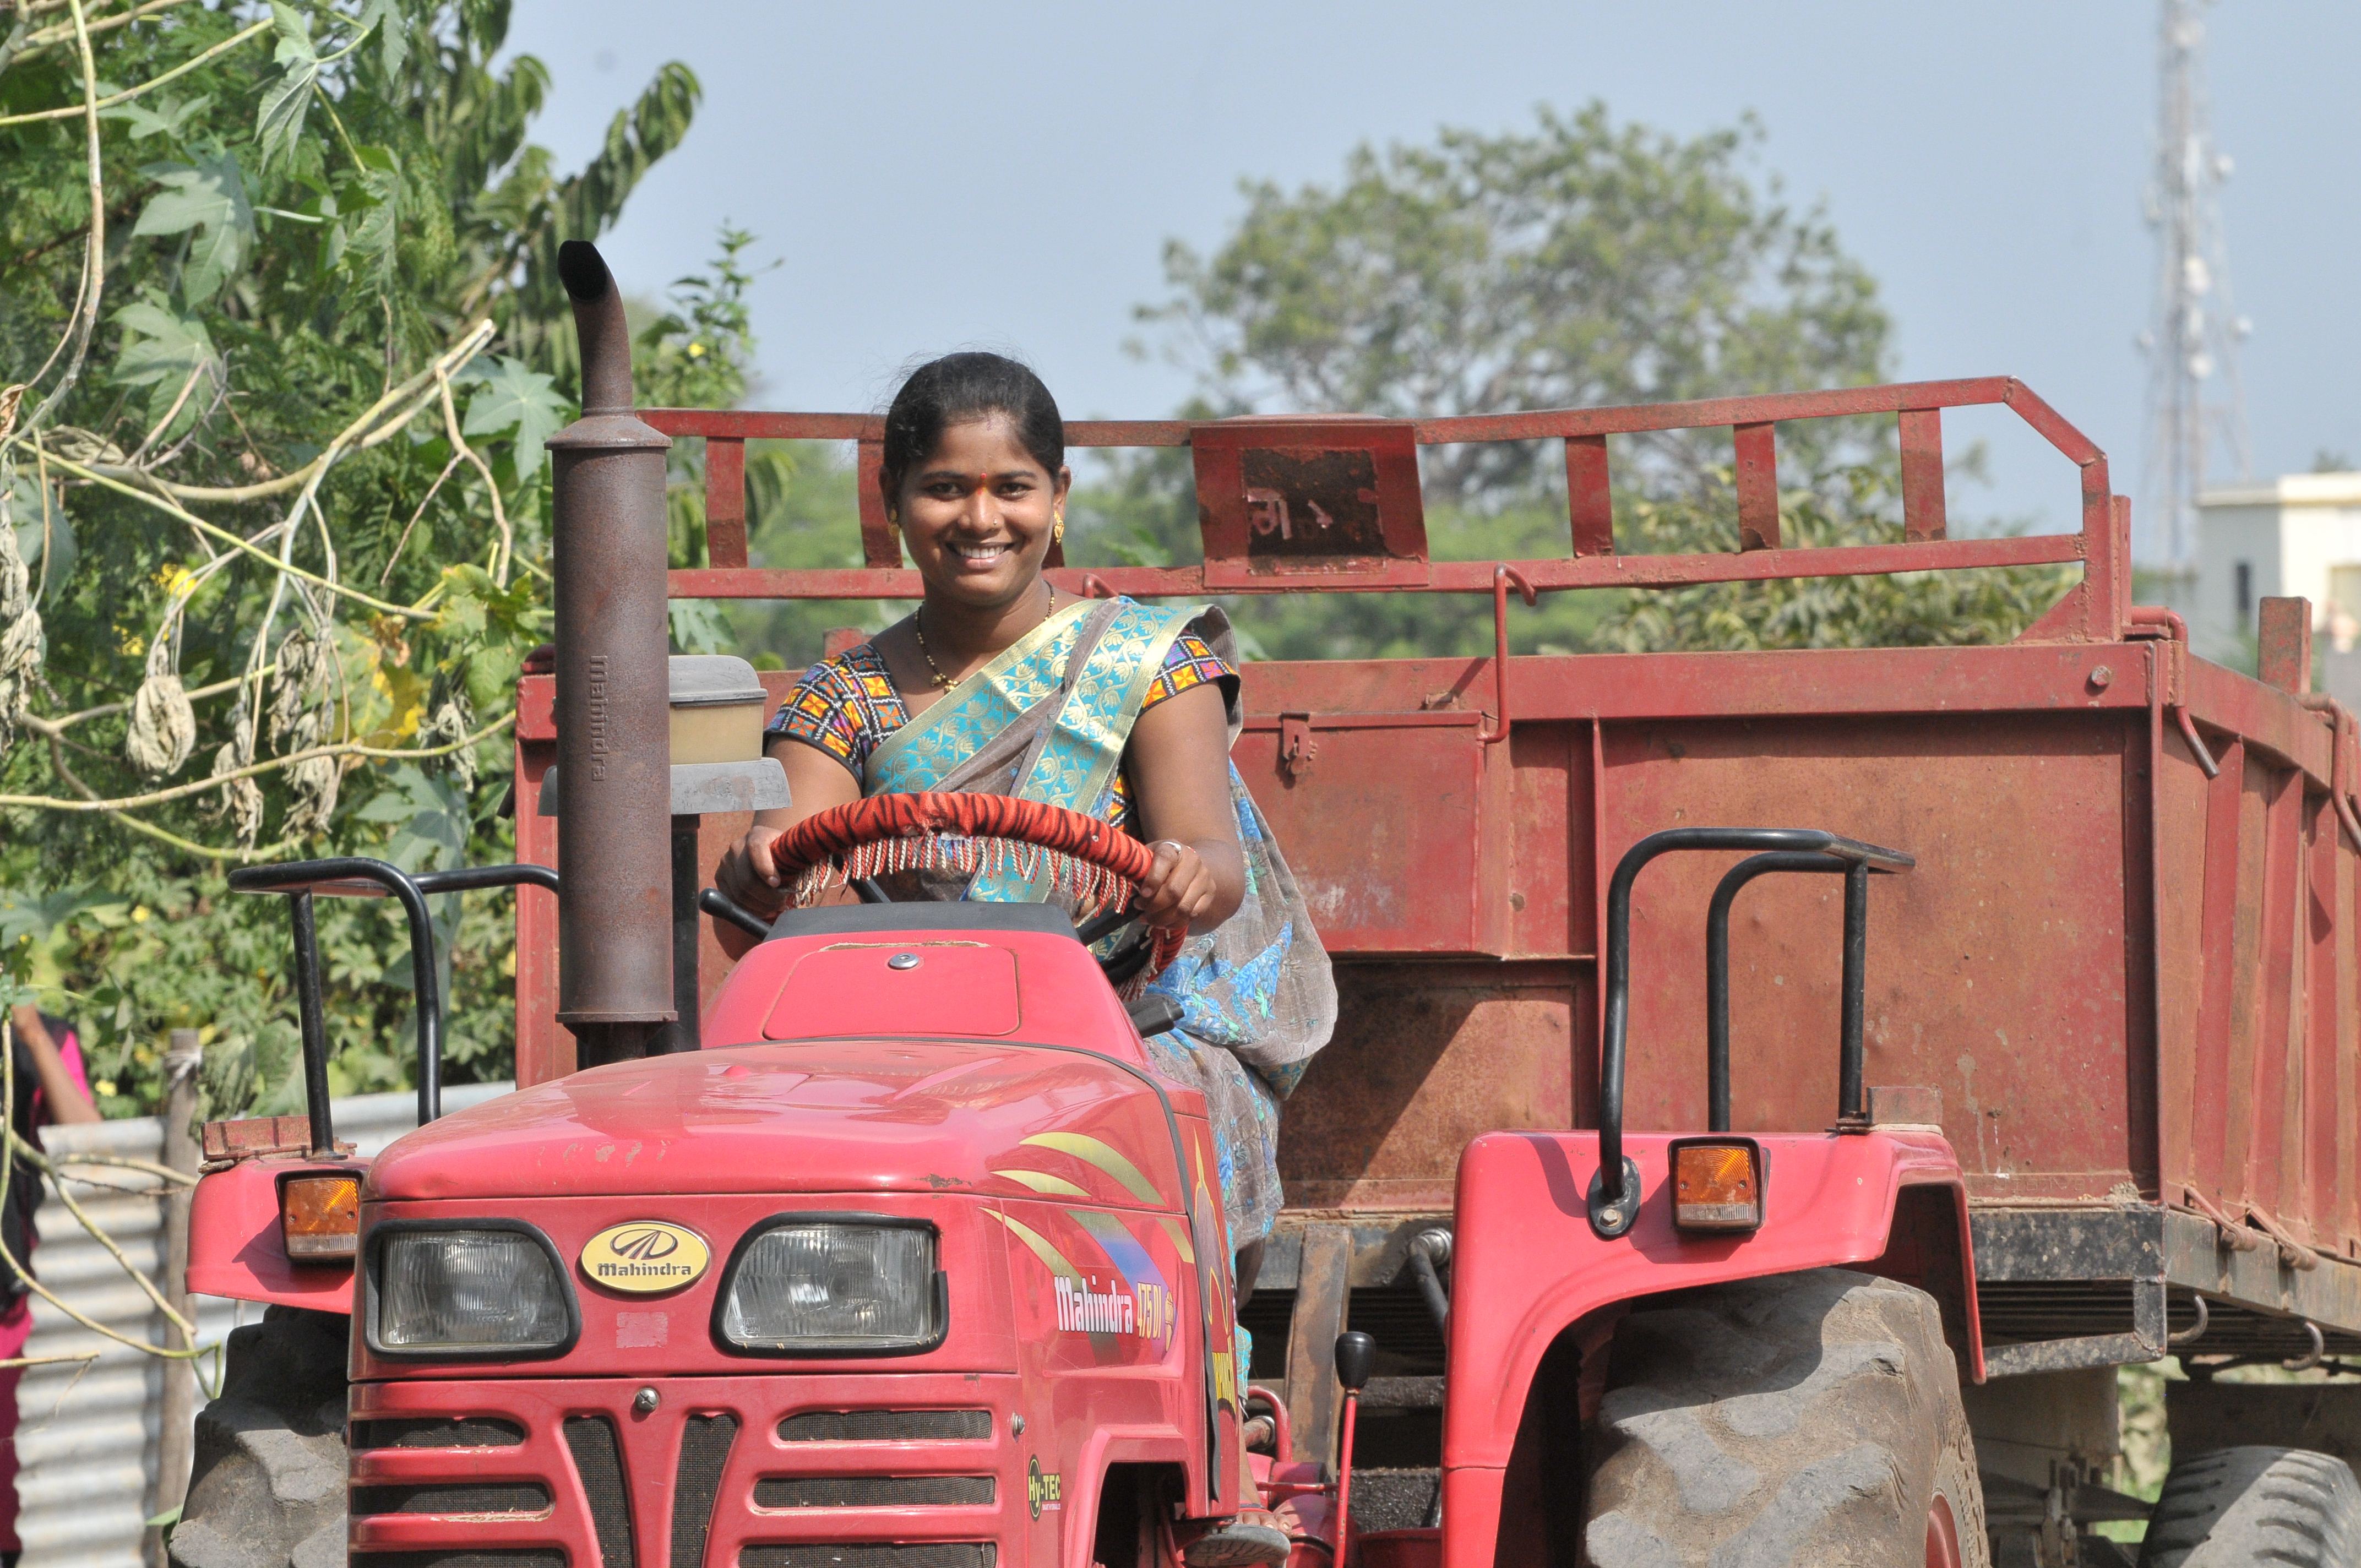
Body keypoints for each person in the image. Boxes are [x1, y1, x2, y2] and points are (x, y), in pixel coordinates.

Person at [717, 352, 1335, 1567]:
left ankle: (1205, 1448)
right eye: (946, 489)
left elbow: (1207, 853)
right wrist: (766, 852)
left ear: (1059, 493)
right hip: (905, 1045)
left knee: (1165, 1115)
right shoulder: (844, 695)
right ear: (893, 500)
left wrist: (1181, 875)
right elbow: (777, 842)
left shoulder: (1149, 662)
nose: (980, 519)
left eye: (1011, 487)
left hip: (1111, 1025)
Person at [0, 1005, 98, 1568]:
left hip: (16, 1313)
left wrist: (32, 1035)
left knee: (16, 1499)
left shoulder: (43, 1035)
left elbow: (89, 1142)